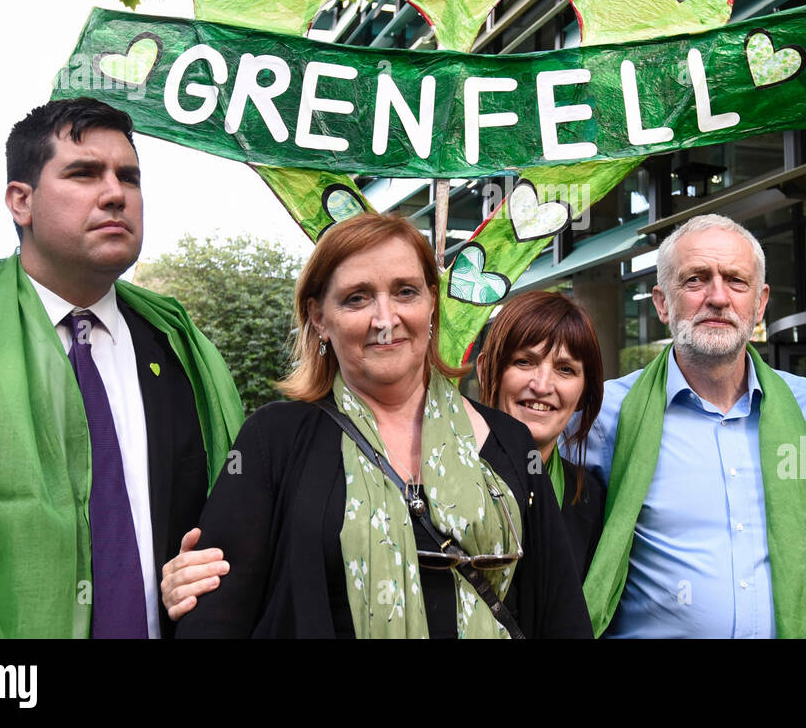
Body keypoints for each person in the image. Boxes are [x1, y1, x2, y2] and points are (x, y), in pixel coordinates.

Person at [0, 97, 243, 638]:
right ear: (21, 201)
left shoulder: (182, 354)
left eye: (129, 177)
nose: (115, 193)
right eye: (83, 173)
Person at [174, 212, 592, 638]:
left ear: (432, 301)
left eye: (405, 292)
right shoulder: (272, 441)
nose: (385, 319)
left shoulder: (509, 442)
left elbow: (561, 614)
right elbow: (212, 614)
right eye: (357, 298)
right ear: (319, 316)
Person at [578, 213, 806, 638]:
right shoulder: (604, 414)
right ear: (662, 303)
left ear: (759, 303)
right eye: (696, 280)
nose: (718, 297)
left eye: (737, 281)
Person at [474, 290, 606, 580]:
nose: (543, 385)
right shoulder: (443, 477)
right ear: (486, 371)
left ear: (584, 393)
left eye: (565, 369)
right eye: (524, 362)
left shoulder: (590, 499)